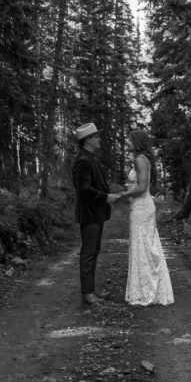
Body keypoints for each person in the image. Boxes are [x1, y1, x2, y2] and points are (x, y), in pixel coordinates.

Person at [118, 129, 174, 306]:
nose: (127, 142)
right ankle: (148, 289)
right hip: (142, 206)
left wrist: (122, 195)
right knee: (145, 247)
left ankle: (145, 292)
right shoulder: (143, 159)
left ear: (137, 142)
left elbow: (141, 188)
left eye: (129, 140)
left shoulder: (139, 160)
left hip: (142, 208)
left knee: (142, 247)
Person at [72, 122, 121, 305]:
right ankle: (87, 294)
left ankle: (90, 291)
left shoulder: (90, 158)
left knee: (94, 251)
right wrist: (105, 197)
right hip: (89, 214)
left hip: (96, 213)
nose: (99, 139)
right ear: (88, 140)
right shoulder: (82, 160)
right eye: (96, 136)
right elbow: (83, 189)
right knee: (88, 252)